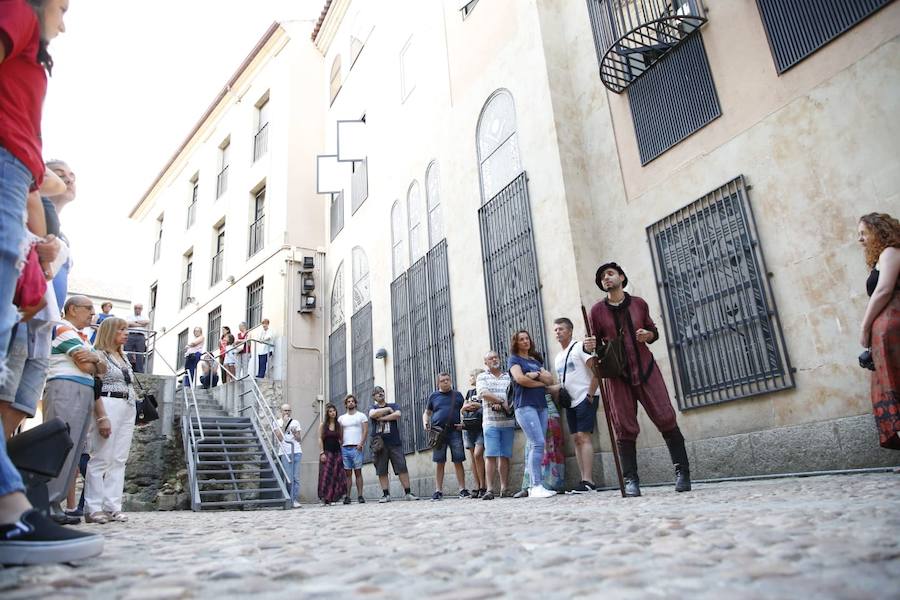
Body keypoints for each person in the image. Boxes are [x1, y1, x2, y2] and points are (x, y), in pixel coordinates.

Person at [586, 262, 692, 497]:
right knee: (623, 426)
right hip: (617, 375)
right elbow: (594, 344)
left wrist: (649, 334)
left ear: (622, 277)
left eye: (610, 274)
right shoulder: (596, 311)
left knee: (665, 417)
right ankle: (631, 479)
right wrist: (589, 345)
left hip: (646, 369)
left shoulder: (639, 304)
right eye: (603, 276)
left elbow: (654, 331)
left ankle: (682, 472)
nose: (606, 278)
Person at [44, 296, 107, 519]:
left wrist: (96, 360)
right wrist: (95, 361)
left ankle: (55, 503)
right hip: (66, 388)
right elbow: (86, 364)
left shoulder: (83, 338)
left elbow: (102, 369)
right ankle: (48, 503)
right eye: (88, 308)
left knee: (74, 449)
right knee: (60, 447)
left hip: (83, 390)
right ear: (72, 309)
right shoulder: (63, 329)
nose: (93, 313)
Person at [83, 318, 137, 524]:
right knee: (101, 456)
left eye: (126, 329)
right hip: (108, 403)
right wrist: (102, 416)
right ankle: (93, 507)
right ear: (110, 331)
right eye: (121, 330)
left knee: (119, 459)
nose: (126, 333)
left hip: (127, 405)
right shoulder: (98, 355)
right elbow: (95, 387)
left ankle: (112, 506)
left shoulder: (123, 357)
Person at [857, 213, 900, 450]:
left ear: (879, 230)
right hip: (886, 335)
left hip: (894, 330)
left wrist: (864, 327)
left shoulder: (891, 252)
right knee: (892, 386)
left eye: (864, 233)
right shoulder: (883, 257)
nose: (860, 239)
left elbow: (883, 290)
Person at [507, 330, 556, 499]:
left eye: (527, 338)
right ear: (516, 343)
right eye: (521, 339)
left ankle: (537, 484)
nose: (525, 341)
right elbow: (520, 380)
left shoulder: (534, 360)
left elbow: (550, 379)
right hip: (525, 406)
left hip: (541, 406)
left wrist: (535, 376)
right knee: (537, 443)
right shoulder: (514, 360)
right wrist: (540, 384)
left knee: (538, 445)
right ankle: (535, 486)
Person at [552, 317, 599, 492]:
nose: (558, 332)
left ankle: (589, 481)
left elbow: (597, 370)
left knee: (583, 437)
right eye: (556, 330)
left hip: (585, 398)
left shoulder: (579, 347)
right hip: (570, 402)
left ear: (570, 331)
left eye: (561, 329)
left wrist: (591, 393)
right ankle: (583, 479)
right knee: (576, 439)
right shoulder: (558, 357)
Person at [368, 386, 418, 502]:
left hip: (394, 442)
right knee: (381, 469)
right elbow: (372, 414)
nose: (380, 394)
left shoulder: (394, 405)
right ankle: (386, 495)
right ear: (374, 397)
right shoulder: (373, 407)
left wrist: (382, 417)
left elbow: (398, 415)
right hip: (379, 444)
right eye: (377, 393)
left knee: (402, 467)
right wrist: (388, 410)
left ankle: (408, 493)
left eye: (381, 392)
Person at [423, 373, 468, 500]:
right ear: (438, 383)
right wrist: (425, 422)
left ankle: (462, 489)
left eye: (448, 380)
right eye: (443, 380)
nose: (446, 382)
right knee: (439, 462)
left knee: (458, 460)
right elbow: (427, 413)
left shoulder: (457, 395)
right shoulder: (434, 396)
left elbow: (465, 411)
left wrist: (464, 423)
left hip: (455, 431)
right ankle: (438, 491)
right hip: (438, 433)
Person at [476, 351, 514, 500]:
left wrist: (505, 405)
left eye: (496, 357)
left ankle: (504, 488)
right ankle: (490, 489)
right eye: (490, 358)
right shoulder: (482, 376)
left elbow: (513, 395)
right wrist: (500, 401)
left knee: (505, 455)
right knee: (490, 455)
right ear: (486, 363)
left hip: (507, 422)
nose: (494, 360)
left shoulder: (508, 376)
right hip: (490, 422)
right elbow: (483, 393)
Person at [338, 394, 368, 504]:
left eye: (352, 401)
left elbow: (365, 431)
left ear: (355, 403)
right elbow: (340, 433)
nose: (350, 403)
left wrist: (361, 444)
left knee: (358, 472)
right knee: (347, 474)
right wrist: (340, 445)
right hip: (345, 448)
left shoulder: (361, 416)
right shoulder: (341, 418)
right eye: (348, 401)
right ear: (345, 404)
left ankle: (360, 496)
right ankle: (348, 496)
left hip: (357, 448)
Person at [461, 368, 486, 498]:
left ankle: (483, 485)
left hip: (481, 427)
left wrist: (478, 406)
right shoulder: (469, 392)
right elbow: (463, 409)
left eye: (471, 375)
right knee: (473, 458)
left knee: (478, 455)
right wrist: (466, 407)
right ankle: (477, 486)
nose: (470, 378)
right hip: (469, 427)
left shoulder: (483, 390)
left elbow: (485, 406)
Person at [317, 403, 347, 505]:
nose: (332, 413)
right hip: (327, 452)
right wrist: (322, 453)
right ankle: (325, 497)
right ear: (327, 413)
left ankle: (333, 497)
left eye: (334, 411)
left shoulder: (339, 425)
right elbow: (320, 438)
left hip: (337, 452)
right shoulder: (323, 425)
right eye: (330, 411)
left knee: (336, 474)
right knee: (325, 475)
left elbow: (341, 438)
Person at [274, 404, 302, 508]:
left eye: (289, 410)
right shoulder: (277, 422)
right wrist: (285, 425)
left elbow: (299, 439)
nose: (287, 412)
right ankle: (289, 499)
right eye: (285, 410)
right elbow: (280, 438)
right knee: (289, 477)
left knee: (296, 478)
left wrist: (295, 433)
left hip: (297, 451)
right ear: (281, 411)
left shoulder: (295, 422)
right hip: (285, 452)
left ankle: (294, 499)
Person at [124, 303, 150, 373]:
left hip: (140, 336)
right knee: (127, 353)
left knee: (140, 354)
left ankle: (140, 371)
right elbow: (128, 323)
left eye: (139, 308)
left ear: (141, 309)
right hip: (130, 335)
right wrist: (141, 324)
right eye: (136, 308)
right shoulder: (129, 316)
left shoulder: (145, 316)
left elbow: (147, 322)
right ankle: (127, 369)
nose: (137, 310)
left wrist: (134, 322)